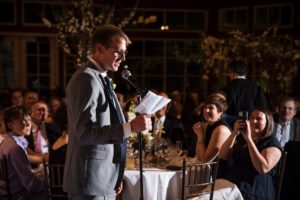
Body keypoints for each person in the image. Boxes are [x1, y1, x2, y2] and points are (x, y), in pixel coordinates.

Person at [63, 24, 150, 200]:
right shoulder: (86, 78)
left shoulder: (100, 77)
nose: (123, 58)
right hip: (89, 182)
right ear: (99, 49)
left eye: (125, 53)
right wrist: (130, 127)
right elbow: (85, 133)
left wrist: (112, 179)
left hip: (102, 179)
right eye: (118, 52)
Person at [219, 107, 282, 200]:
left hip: (254, 189)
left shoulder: (271, 142)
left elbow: (263, 168)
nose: (253, 121)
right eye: (251, 118)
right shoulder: (241, 138)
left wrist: (249, 139)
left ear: (268, 122)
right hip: (232, 184)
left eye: (258, 119)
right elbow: (223, 155)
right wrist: (234, 133)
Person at [0, 106, 47, 199]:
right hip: (16, 194)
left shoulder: (9, 141)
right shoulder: (15, 148)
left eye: (29, 120)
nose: (28, 124)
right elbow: (29, 182)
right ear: (10, 125)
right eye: (23, 121)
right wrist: (44, 184)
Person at [192, 94, 231, 162]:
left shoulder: (221, 130)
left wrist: (200, 136)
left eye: (211, 108)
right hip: (204, 169)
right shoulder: (207, 125)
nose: (206, 110)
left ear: (220, 112)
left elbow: (205, 160)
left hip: (218, 171)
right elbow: (198, 156)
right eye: (205, 107)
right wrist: (200, 135)